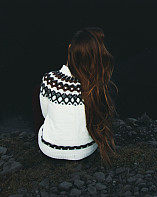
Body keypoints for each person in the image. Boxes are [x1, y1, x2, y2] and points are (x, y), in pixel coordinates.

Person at [37, 27, 116, 162]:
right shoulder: (97, 85)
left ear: (69, 48)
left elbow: (46, 114)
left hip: (49, 149)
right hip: (87, 149)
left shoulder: (50, 79)